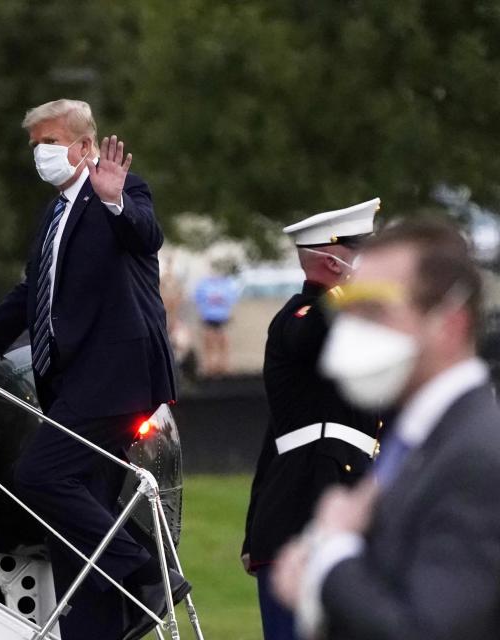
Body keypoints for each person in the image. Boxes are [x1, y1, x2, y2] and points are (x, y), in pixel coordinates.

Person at [0, 99, 187, 640]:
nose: (41, 156)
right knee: (77, 525)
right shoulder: (54, 214)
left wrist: (116, 200)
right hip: (74, 382)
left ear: (84, 145)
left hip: (116, 379)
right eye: (35, 146)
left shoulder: (120, 193)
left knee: (40, 475)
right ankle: (101, 622)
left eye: (49, 143)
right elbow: (31, 293)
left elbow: (146, 234)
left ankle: (146, 571)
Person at [272, 219, 500, 640]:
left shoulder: (477, 456)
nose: (354, 330)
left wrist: (331, 561)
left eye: (375, 310)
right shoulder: (420, 440)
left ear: (450, 324)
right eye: (351, 310)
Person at [242, 199, 382, 640]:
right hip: (303, 508)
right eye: (361, 254)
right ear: (332, 260)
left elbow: (275, 431)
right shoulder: (298, 317)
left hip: (346, 503)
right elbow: (310, 335)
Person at [193, 259, 240, 376]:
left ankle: (223, 366)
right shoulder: (203, 284)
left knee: (223, 341)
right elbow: (198, 298)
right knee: (209, 342)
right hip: (208, 317)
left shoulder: (228, 283)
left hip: (222, 317)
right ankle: (209, 366)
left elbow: (232, 298)